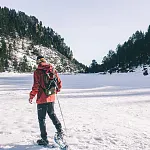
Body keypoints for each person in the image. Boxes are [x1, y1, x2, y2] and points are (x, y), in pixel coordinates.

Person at [29, 56, 63, 146]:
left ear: (38, 62)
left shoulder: (37, 72)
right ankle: (60, 131)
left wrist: (31, 96)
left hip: (42, 98)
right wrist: (56, 90)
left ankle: (44, 139)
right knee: (52, 114)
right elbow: (59, 82)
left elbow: (36, 86)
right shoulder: (52, 69)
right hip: (51, 96)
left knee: (41, 119)